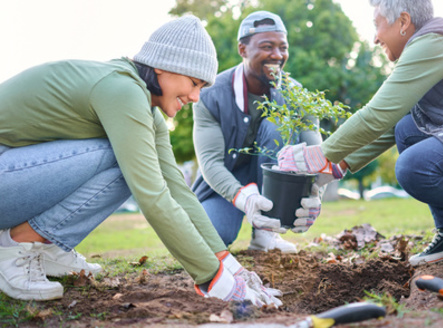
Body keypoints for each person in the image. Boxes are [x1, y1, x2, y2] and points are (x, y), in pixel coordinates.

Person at [0, 15, 282, 307]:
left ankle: (46, 246)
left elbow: (176, 189)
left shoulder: (147, 109)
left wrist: (229, 265)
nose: (197, 97)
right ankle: (16, 246)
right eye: (194, 83)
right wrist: (215, 280)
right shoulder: (122, 91)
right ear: (163, 66)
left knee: (136, 159)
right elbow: (153, 196)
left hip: (14, 176)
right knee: (128, 160)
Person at [277, 0, 443, 265]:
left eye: (377, 25)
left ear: (404, 22)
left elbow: (378, 114)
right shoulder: (426, 52)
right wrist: (335, 166)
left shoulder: (434, 42)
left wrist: (319, 153)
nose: (374, 38)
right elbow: (395, 122)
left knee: (415, 168)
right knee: (408, 128)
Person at [191, 11, 323, 253]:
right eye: (267, 46)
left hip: (275, 178)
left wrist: (316, 191)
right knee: (210, 237)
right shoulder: (211, 94)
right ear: (243, 49)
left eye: (283, 47)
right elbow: (209, 163)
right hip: (227, 181)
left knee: (276, 124)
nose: (277, 55)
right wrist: (245, 198)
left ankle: (266, 234)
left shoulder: (297, 95)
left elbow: (316, 153)